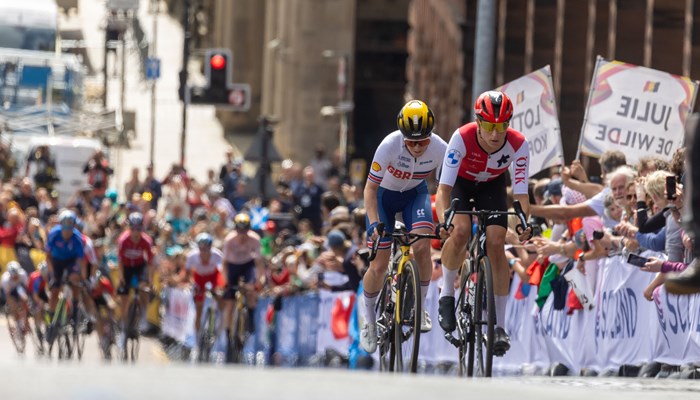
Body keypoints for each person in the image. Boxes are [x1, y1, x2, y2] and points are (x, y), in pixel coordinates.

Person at [434, 91, 532, 357]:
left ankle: (500, 326)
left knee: (497, 242)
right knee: (461, 231)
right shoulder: (461, 137)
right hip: (460, 185)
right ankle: (446, 291)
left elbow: (521, 194)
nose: (495, 134)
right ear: (478, 122)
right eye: (489, 126)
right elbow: (443, 190)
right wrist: (446, 220)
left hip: (493, 185)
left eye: (501, 126)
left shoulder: (519, 144)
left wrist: (524, 222)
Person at [360, 99, 448, 353]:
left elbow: (447, 185)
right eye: (411, 142)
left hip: (414, 195)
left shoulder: (440, 148)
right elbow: (370, 188)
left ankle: (420, 308)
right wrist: (375, 223)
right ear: (402, 136)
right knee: (378, 263)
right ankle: (369, 320)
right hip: (383, 198)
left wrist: (445, 219)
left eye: (423, 141)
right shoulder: (388, 146)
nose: (418, 147)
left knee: (422, 245)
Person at [44, 210, 86, 343]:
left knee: (74, 280)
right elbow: (48, 257)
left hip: (71, 261)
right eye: (65, 226)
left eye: (70, 227)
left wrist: (81, 277)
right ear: (61, 225)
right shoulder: (54, 234)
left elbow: (81, 261)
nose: (67, 230)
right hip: (56, 261)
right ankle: (50, 320)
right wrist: (52, 275)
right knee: (54, 290)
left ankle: (74, 309)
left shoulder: (78, 238)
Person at [221, 213, 264, 338]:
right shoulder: (229, 240)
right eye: (240, 230)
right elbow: (224, 264)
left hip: (247, 265)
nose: (242, 234)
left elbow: (259, 262)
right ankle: (228, 333)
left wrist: (260, 278)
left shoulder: (255, 239)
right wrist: (225, 280)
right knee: (230, 303)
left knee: (250, 289)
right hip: (232, 266)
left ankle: (250, 317)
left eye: (245, 230)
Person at [116, 212, 154, 341]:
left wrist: (150, 279)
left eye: (139, 229)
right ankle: (123, 325)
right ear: (129, 228)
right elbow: (120, 261)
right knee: (124, 298)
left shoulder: (146, 241)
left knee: (144, 288)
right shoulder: (123, 240)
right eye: (133, 229)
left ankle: (143, 316)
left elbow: (149, 262)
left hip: (139, 266)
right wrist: (121, 277)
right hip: (126, 267)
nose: (136, 232)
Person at [182, 232, 226, 338]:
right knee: (199, 308)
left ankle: (220, 320)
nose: (204, 252)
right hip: (199, 278)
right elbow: (187, 274)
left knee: (220, 296)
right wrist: (192, 284)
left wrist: (220, 287)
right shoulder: (192, 255)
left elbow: (222, 273)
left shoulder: (217, 255)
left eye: (206, 249)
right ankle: (197, 338)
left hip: (213, 277)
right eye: (201, 249)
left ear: (210, 247)